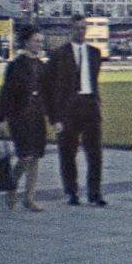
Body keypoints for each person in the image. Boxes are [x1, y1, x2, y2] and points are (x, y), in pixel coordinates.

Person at [42, 14, 107, 207]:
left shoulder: (95, 53)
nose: (81, 32)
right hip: (68, 110)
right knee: (67, 153)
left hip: (89, 106)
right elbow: (47, 86)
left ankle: (94, 192)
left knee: (95, 153)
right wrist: (54, 117)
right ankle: (71, 191)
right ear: (70, 30)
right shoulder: (59, 55)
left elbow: (93, 82)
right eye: (77, 28)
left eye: (83, 28)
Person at [0, 25, 48, 212]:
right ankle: (11, 187)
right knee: (25, 156)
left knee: (35, 158)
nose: (39, 44)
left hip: (37, 117)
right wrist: (0, 119)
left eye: (41, 41)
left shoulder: (43, 66)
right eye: (36, 41)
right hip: (19, 117)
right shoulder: (15, 66)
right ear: (26, 42)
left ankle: (29, 197)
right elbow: (6, 93)